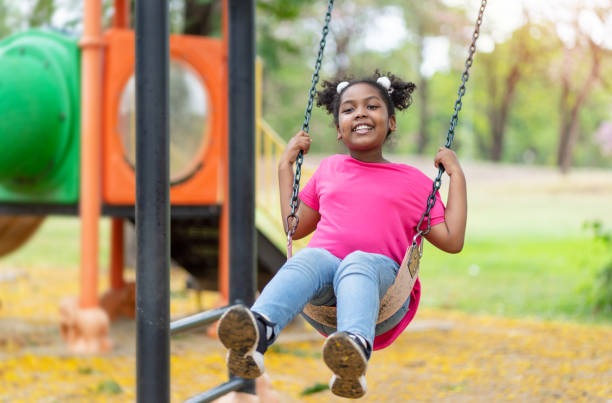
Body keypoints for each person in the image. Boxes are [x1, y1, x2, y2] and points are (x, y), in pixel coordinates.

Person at [217, 71, 467, 399]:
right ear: (338, 130)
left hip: (381, 293)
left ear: (391, 122)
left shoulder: (413, 181)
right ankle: (257, 334)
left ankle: (353, 353)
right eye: (348, 110)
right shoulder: (329, 170)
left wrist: (456, 175)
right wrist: (284, 169)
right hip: (324, 297)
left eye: (372, 106)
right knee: (310, 257)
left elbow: (452, 239)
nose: (360, 113)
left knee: (358, 263)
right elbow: (295, 227)